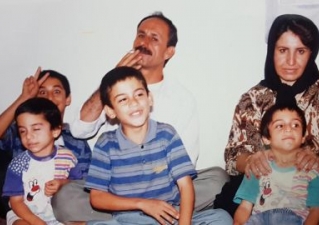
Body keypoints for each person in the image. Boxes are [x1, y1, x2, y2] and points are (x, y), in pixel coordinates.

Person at [63, 11, 229, 222]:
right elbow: (79, 130)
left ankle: (161, 214)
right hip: (117, 189)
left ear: (169, 52)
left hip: (166, 187)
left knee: (219, 180)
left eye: (154, 38)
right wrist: (112, 78)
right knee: (65, 198)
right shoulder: (112, 91)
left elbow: (186, 166)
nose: (144, 42)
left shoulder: (180, 99)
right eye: (141, 35)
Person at [215, 14, 319, 225]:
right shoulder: (252, 98)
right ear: (272, 51)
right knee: (227, 198)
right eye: (282, 51)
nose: (291, 61)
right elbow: (233, 156)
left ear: (311, 53)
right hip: (264, 189)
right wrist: (250, 161)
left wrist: (315, 160)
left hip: (310, 188)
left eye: (300, 51)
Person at [84, 66, 232, 225]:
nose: (133, 103)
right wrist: (142, 204)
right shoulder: (106, 143)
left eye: (139, 94)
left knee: (221, 218)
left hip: (170, 216)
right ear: (110, 111)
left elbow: (185, 185)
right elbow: (97, 198)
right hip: (128, 219)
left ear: (150, 99)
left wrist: (184, 223)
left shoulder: (166, 134)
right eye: (123, 99)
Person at [0, 68, 92, 221]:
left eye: (56, 91)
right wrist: (24, 97)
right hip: (18, 198)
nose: (49, 97)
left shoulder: (76, 139)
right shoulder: (25, 132)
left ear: (67, 99)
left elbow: (84, 183)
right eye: (42, 92)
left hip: (59, 205)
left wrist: (63, 184)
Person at [233, 103, 319, 225]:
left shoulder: (314, 170)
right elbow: (245, 207)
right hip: (260, 220)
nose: (288, 129)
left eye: (295, 125)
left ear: (303, 136)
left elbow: (316, 210)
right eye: (280, 125)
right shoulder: (257, 167)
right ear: (266, 138)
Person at [3, 97, 77, 225]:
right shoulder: (18, 164)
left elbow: (78, 186)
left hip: (60, 215)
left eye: (36, 129)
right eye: (22, 131)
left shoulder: (68, 158)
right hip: (25, 215)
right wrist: (37, 222)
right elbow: (16, 202)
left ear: (55, 130)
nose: (29, 136)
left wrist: (62, 183)